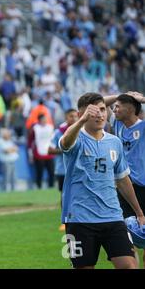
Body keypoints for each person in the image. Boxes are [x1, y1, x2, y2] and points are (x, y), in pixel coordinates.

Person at [59, 93, 145, 269]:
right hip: (79, 219)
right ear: (82, 115)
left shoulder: (114, 142)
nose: (99, 114)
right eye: (93, 112)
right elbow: (65, 142)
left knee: (130, 265)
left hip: (113, 217)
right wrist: (82, 120)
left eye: (102, 110)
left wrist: (139, 212)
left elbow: (122, 180)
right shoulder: (76, 139)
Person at [109, 92, 145, 267]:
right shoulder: (117, 123)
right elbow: (97, 102)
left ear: (131, 108)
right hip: (124, 187)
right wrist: (120, 95)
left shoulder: (143, 127)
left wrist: (142, 100)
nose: (114, 109)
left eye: (118, 106)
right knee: (126, 235)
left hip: (143, 187)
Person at [48, 108, 79, 231]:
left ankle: (78, 218)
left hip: (77, 169)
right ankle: (65, 220)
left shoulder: (82, 130)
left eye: (75, 116)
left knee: (78, 193)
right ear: (66, 118)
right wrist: (65, 148)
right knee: (64, 195)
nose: (74, 118)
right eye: (71, 116)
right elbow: (49, 150)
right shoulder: (58, 132)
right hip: (62, 169)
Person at [27, 114, 55, 189]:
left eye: (46, 119)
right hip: (38, 153)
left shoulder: (50, 127)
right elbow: (30, 141)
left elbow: (53, 139)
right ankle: (39, 187)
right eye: (43, 119)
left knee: (51, 172)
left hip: (49, 153)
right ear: (39, 120)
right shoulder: (35, 128)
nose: (45, 120)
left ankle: (51, 187)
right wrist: (30, 154)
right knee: (39, 173)